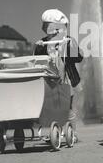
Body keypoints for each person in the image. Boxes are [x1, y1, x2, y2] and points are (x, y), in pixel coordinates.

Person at [34, 9, 83, 142]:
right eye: (52, 28)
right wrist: (38, 48)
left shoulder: (68, 41)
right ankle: (57, 131)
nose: (56, 32)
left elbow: (79, 58)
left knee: (68, 108)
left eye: (59, 29)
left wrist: (71, 46)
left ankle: (72, 132)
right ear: (45, 29)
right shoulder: (43, 43)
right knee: (52, 107)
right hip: (50, 81)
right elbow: (37, 61)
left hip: (67, 79)